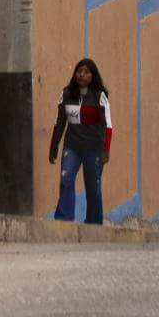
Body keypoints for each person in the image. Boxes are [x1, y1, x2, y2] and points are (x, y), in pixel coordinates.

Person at [48, 58, 112, 225]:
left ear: (93, 75)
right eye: (79, 71)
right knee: (66, 179)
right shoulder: (66, 94)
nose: (81, 74)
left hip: (94, 149)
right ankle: (64, 220)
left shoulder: (100, 96)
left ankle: (93, 223)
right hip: (72, 147)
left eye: (86, 72)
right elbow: (59, 121)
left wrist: (106, 150)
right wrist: (53, 146)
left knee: (93, 188)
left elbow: (108, 125)